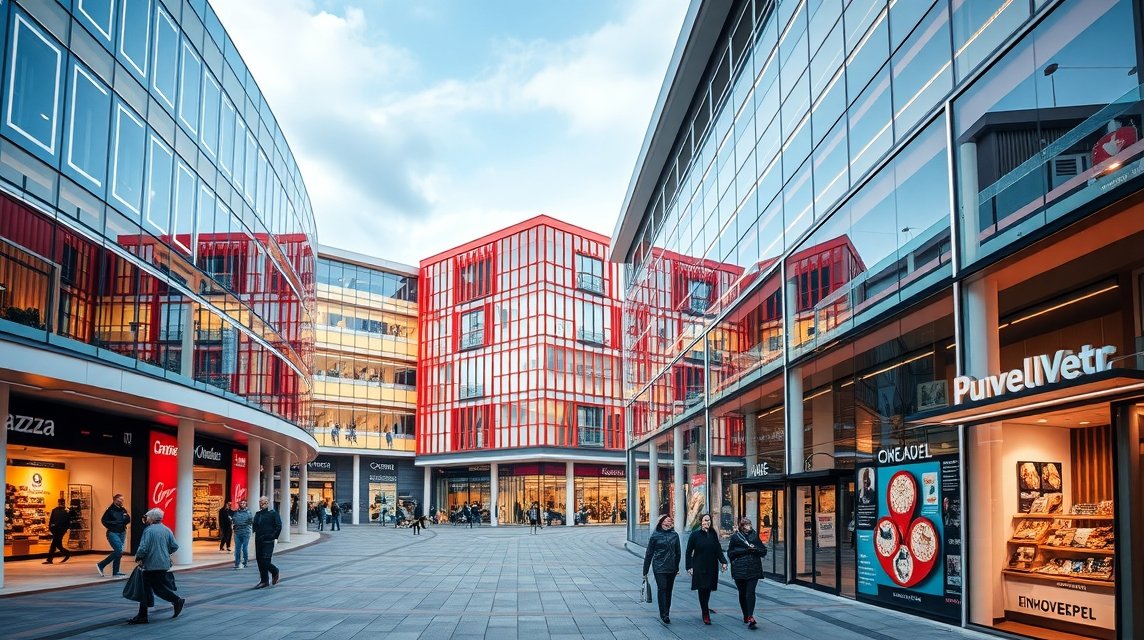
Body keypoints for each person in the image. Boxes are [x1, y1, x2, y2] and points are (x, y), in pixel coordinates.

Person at [127, 508, 184, 624]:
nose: (146, 519)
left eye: (147, 517)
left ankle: (176, 600)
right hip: (163, 564)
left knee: (148, 588)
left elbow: (143, 547)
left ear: (152, 518)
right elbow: (174, 546)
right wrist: (164, 552)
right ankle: (143, 615)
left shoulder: (149, 530)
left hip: (151, 564)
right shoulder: (166, 530)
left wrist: (138, 557)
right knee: (156, 587)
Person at [685, 513, 727, 625]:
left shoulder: (713, 534)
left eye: (708, 520)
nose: (707, 522)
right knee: (702, 588)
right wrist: (689, 566)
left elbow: (718, 549)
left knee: (708, 589)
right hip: (699, 566)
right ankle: (705, 613)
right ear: (700, 522)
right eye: (704, 520)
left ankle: (705, 608)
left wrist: (723, 562)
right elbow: (688, 552)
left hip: (712, 566)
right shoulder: (695, 535)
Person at [727, 516, 766, 630]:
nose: (749, 526)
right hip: (739, 569)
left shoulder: (754, 535)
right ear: (742, 526)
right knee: (742, 593)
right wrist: (745, 550)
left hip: (753, 569)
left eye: (750, 524)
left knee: (750, 592)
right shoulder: (735, 537)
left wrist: (755, 550)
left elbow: (763, 551)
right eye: (746, 525)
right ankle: (745, 614)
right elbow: (730, 553)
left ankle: (750, 616)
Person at [642, 514, 681, 625]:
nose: (668, 523)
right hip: (659, 567)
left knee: (668, 590)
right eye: (666, 521)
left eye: (670, 521)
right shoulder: (655, 536)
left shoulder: (675, 535)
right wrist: (645, 570)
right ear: (661, 522)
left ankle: (666, 612)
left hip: (671, 568)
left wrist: (677, 567)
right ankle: (663, 614)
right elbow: (649, 554)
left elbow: (678, 553)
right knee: (662, 588)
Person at [97, 493, 130, 577]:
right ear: (115, 500)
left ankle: (116, 571)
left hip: (122, 532)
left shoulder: (123, 510)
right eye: (120, 500)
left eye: (123, 500)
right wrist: (114, 525)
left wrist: (124, 521)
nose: (122, 501)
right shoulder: (110, 510)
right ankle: (101, 565)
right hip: (113, 533)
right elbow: (104, 521)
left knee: (119, 551)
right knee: (118, 550)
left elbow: (127, 519)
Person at [251, 496, 282, 589]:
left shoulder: (273, 514)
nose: (261, 504)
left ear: (267, 503)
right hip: (259, 539)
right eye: (260, 502)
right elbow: (255, 525)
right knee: (259, 560)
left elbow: (278, 526)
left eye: (263, 502)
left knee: (265, 560)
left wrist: (273, 536)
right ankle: (264, 580)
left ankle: (274, 571)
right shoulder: (258, 514)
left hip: (268, 540)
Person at [44, 499, 72, 564]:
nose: (61, 504)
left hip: (60, 530)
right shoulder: (56, 510)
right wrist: (51, 528)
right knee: (58, 545)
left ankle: (49, 559)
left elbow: (68, 522)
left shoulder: (66, 511)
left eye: (62, 502)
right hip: (56, 530)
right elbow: (51, 520)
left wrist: (64, 529)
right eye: (60, 502)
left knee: (53, 544)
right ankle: (67, 553)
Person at [232, 499, 253, 570]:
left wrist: (240, 523)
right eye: (241, 503)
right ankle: (237, 563)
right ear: (239, 504)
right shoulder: (236, 513)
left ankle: (245, 562)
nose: (242, 504)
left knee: (244, 548)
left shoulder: (249, 513)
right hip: (237, 532)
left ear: (246, 504)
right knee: (237, 548)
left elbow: (250, 521)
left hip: (246, 532)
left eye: (244, 503)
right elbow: (234, 520)